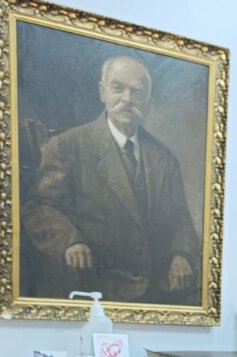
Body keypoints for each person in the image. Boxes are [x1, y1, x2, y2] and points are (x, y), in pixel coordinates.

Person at [22, 55, 202, 304]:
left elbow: (180, 220)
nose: (127, 99)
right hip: (94, 285)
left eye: (137, 93)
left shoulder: (164, 158)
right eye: (118, 88)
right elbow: (38, 206)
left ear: (148, 103)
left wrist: (181, 254)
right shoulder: (67, 146)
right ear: (102, 92)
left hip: (156, 289)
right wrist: (70, 241)